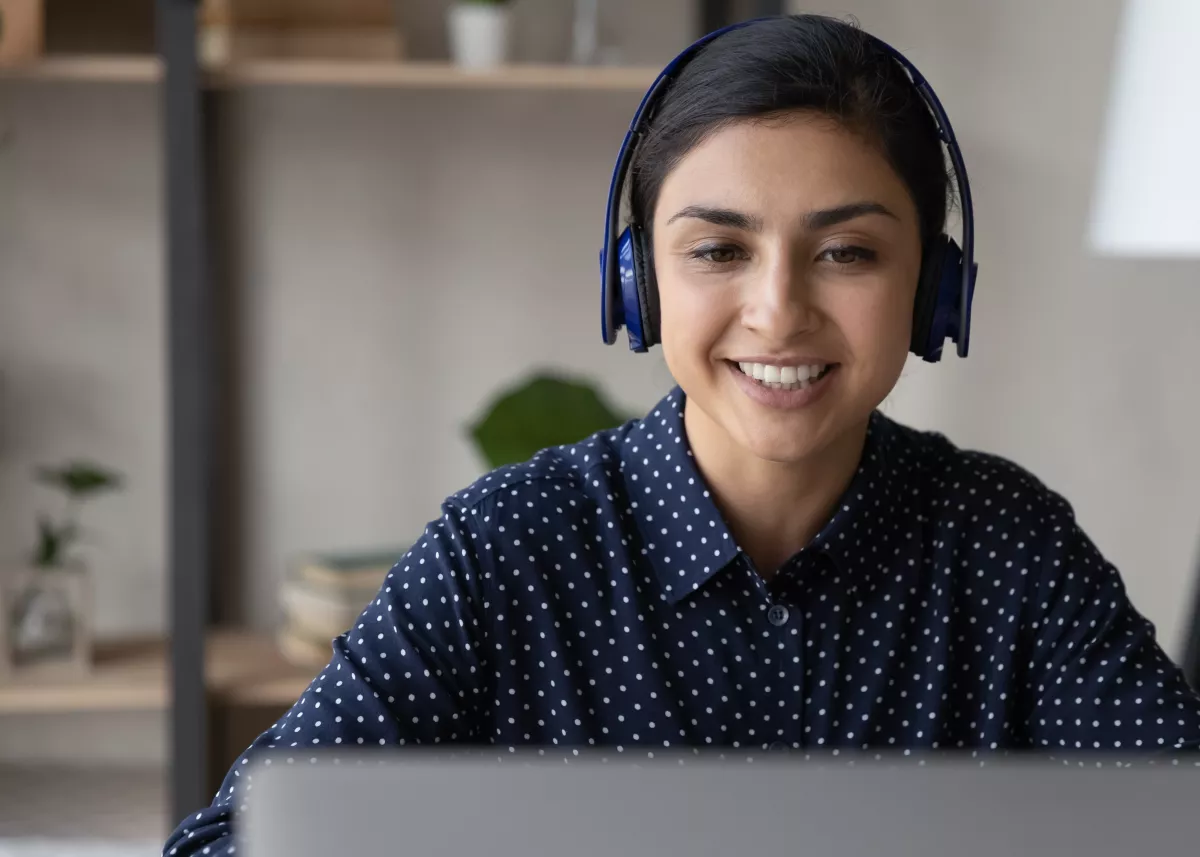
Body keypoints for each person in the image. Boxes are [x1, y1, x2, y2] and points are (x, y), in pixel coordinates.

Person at [163, 13, 1200, 857]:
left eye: (847, 253)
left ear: (932, 289)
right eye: (717, 249)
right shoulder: (505, 549)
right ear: (638, 282)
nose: (778, 310)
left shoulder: (1006, 543)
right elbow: (227, 845)